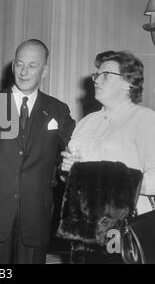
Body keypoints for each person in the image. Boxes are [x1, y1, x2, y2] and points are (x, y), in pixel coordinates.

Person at [0, 39, 76, 264]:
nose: (24, 72)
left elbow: (72, 154)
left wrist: (46, 175)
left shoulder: (57, 110)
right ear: (13, 66)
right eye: (20, 64)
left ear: (44, 71)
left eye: (32, 66)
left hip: (34, 221)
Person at [61, 50, 155, 263]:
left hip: (125, 228)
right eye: (96, 75)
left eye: (105, 75)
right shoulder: (86, 123)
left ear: (128, 83)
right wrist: (67, 170)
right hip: (85, 228)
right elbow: (71, 180)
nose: (96, 80)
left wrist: (104, 179)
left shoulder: (144, 119)